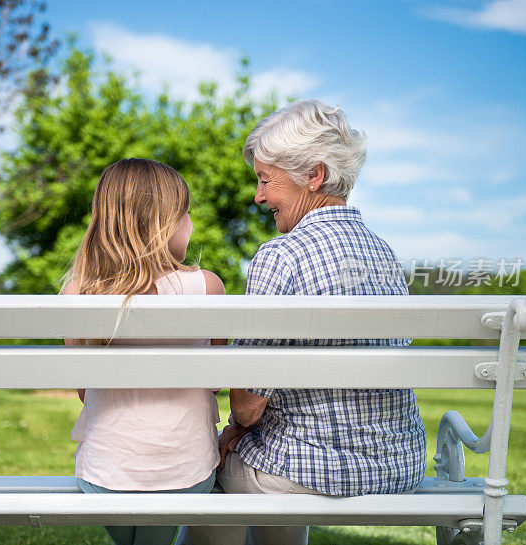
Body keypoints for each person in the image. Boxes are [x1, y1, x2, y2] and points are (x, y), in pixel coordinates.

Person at [181, 100, 427, 545]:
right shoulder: (384, 252)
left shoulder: (282, 255)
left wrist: (237, 425)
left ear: (313, 175)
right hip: (398, 465)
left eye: (265, 180)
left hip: (310, 472)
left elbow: (246, 405)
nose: (258, 196)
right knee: (268, 455)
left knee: (208, 468)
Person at [62, 158, 227, 545]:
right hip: (186, 473)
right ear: (164, 223)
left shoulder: (77, 293)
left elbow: (85, 391)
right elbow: (218, 382)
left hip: (106, 475)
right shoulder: (207, 286)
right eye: (186, 213)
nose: (192, 224)